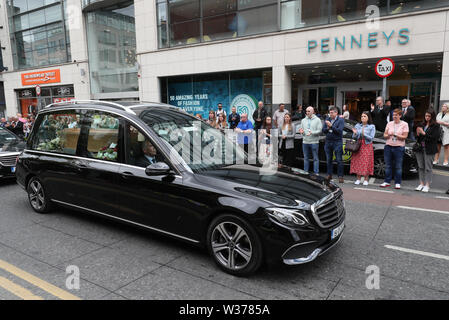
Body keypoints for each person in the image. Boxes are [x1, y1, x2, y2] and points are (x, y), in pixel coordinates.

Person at [380, 109, 409, 189]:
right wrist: (388, 135)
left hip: (399, 147)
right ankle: (386, 181)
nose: (394, 116)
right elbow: (384, 135)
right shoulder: (389, 123)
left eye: (396, 115)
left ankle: (397, 182)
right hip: (388, 146)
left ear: (400, 115)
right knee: (388, 165)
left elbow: (405, 137)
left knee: (398, 166)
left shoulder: (404, 124)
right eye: (393, 115)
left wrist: (395, 134)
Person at [414, 109, 440, 192]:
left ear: (432, 117)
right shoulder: (422, 124)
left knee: (428, 168)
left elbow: (434, 138)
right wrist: (417, 134)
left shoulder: (436, 125)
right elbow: (418, 137)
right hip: (420, 148)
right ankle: (421, 183)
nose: (427, 118)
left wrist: (423, 133)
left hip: (429, 148)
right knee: (421, 167)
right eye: (426, 116)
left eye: (429, 116)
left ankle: (427, 185)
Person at [350, 111, 376, 185]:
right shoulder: (358, 125)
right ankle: (358, 178)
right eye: (362, 116)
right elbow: (353, 136)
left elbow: (371, 138)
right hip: (358, 144)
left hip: (367, 145)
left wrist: (363, 134)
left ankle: (366, 179)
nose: (363, 118)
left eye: (365, 116)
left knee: (366, 162)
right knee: (358, 161)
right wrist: (355, 133)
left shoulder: (372, 126)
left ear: (368, 118)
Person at [322, 106, 345, 183]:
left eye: (332, 113)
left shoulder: (340, 120)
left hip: (337, 142)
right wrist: (328, 128)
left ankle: (340, 176)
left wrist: (331, 126)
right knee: (329, 159)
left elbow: (339, 131)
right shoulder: (327, 119)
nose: (330, 114)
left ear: (336, 113)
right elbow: (323, 130)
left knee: (339, 160)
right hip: (328, 141)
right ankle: (329, 174)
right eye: (330, 112)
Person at [299, 106, 322, 174]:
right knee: (306, 158)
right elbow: (301, 130)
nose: (307, 112)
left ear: (312, 112)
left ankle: (316, 173)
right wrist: (301, 132)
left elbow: (320, 131)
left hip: (314, 142)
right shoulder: (303, 120)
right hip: (305, 141)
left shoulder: (317, 120)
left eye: (309, 111)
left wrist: (312, 132)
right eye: (306, 111)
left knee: (315, 158)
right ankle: (306, 172)